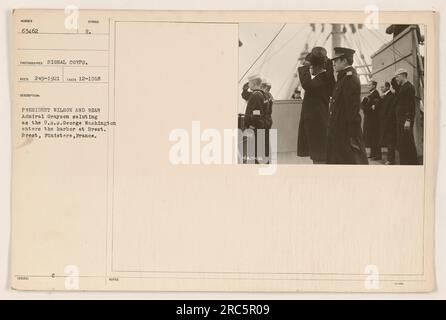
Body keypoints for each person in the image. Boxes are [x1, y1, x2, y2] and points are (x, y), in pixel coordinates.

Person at [326, 47, 368, 164]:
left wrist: (352, 136)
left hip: (345, 134)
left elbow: (352, 110)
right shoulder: (343, 78)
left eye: (336, 60)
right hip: (339, 132)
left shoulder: (349, 79)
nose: (333, 63)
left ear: (344, 61)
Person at [296, 47, 335, 164]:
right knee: (318, 155)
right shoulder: (327, 78)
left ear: (314, 67)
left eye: (311, 66)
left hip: (316, 124)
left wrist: (305, 66)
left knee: (318, 157)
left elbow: (307, 84)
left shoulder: (321, 79)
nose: (310, 69)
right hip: (319, 122)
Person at [393, 68, 419, 165]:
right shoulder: (402, 87)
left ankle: (412, 164)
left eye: (397, 76)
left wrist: (408, 120)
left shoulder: (409, 87)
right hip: (401, 120)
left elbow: (410, 105)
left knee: (407, 143)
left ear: (403, 75)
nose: (396, 79)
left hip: (405, 120)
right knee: (403, 144)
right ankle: (405, 163)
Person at [243, 74, 270, 163]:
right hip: (260, 126)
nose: (248, 84)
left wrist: (252, 126)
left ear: (254, 83)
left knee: (255, 151)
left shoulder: (256, 95)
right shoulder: (261, 94)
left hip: (255, 127)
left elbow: (256, 113)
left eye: (249, 82)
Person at [361, 80, 382, 160]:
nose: (368, 86)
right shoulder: (371, 95)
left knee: (374, 137)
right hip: (370, 119)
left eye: (369, 85)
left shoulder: (375, 95)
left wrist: (364, 105)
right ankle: (373, 154)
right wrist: (365, 105)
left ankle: (377, 155)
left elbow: (372, 109)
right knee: (371, 136)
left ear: (374, 86)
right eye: (368, 85)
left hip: (373, 120)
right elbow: (366, 107)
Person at [380, 80, 397, 165]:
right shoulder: (384, 96)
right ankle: (389, 159)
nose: (381, 88)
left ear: (387, 87)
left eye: (382, 87)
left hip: (390, 123)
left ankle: (391, 160)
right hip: (386, 122)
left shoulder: (391, 96)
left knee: (390, 142)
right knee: (388, 142)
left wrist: (386, 121)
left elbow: (391, 111)